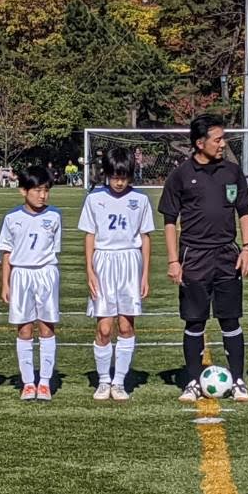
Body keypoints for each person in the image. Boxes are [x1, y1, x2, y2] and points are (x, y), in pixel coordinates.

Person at [160, 114, 248, 402]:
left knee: (230, 319)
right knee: (194, 321)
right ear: (200, 143)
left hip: (227, 255)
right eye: (217, 139)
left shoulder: (232, 172)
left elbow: (245, 211)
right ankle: (191, 381)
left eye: (222, 138)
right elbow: (169, 221)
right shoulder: (180, 175)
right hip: (194, 257)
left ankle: (238, 380)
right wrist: (174, 261)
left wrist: (247, 247)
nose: (222, 144)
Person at [81, 148, 155, 402]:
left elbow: (145, 238)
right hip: (103, 262)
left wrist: (145, 275)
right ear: (107, 175)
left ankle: (119, 381)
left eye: (124, 177)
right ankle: (103, 381)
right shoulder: (94, 199)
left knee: (125, 325)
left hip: (129, 262)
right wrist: (90, 269)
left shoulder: (141, 200)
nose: (119, 182)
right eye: (115, 177)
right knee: (104, 327)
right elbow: (89, 235)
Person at [0, 164, 63, 401]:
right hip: (21, 275)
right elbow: (6, 253)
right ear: (23, 191)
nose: (42, 195)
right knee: (24, 328)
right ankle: (28, 382)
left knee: (47, 327)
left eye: (45, 190)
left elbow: (53, 250)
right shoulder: (12, 218)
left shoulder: (54, 216)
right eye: (36, 190)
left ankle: (44, 382)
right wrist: (5, 284)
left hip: (46, 274)